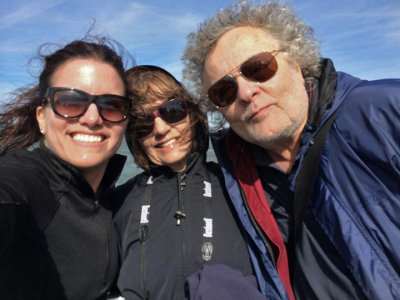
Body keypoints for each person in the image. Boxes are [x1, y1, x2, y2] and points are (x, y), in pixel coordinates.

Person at [182, 1, 400, 300]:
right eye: (224, 91)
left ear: (297, 63)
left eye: (258, 68)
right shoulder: (238, 176)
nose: (246, 93)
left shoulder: (383, 112)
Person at [0, 38, 132, 299]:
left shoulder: (114, 198)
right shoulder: (25, 182)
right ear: (42, 117)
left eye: (111, 105)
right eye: (70, 102)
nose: (92, 118)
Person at [113, 65, 256, 300]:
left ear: (192, 111)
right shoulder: (117, 203)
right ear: (133, 136)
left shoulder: (240, 185)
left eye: (172, 110)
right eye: (142, 123)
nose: (160, 129)